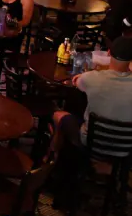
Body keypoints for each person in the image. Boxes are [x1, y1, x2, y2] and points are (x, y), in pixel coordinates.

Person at [51, 37, 132, 189]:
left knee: (58, 115)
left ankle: (53, 161)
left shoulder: (92, 78)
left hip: (91, 144)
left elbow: (76, 81)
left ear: (108, 53)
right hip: (125, 150)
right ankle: (109, 169)